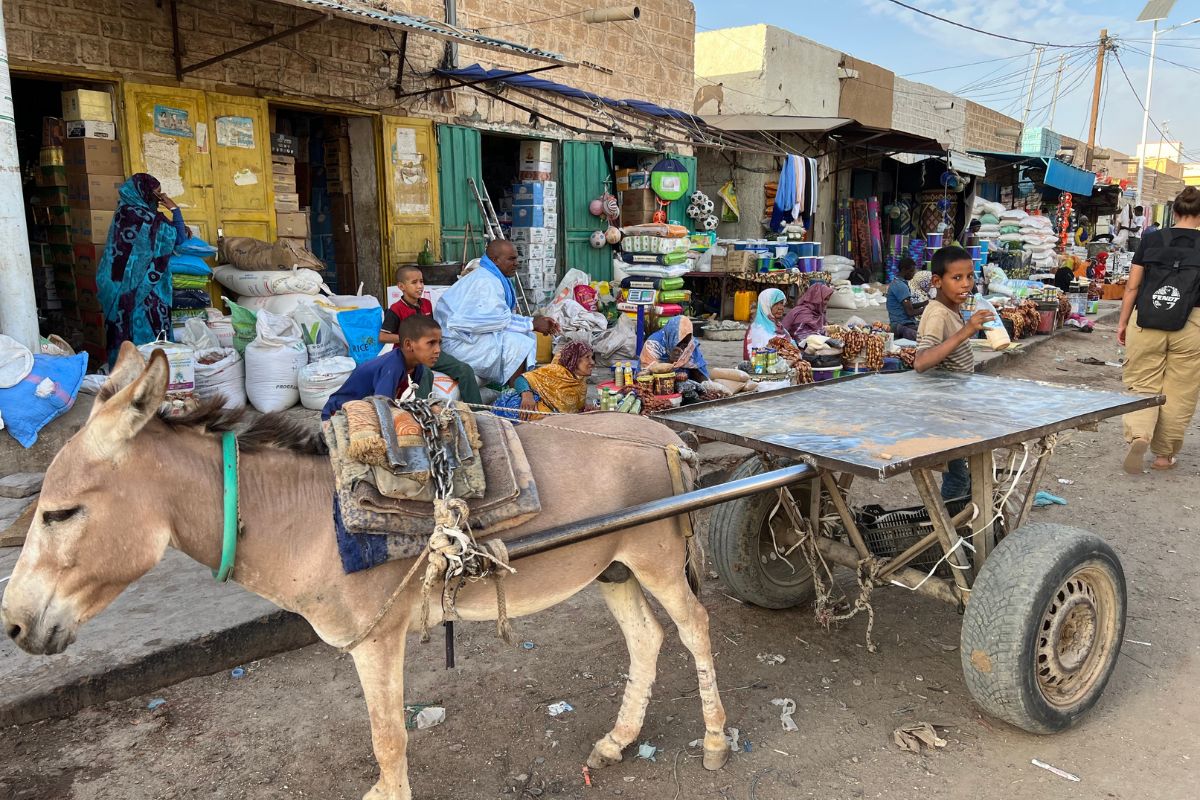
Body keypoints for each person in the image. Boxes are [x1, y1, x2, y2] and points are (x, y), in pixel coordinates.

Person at [1117, 186, 1200, 473]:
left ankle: (1140, 434)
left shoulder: (1151, 239)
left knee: (1142, 382)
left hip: (1147, 318)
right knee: (1181, 390)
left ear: (1174, 211)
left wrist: (1123, 322)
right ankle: (1164, 456)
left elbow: (1132, 286)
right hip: (1191, 324)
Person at [914, 246, 995, 501]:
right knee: (958, 476)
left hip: (955, 404)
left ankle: (965, 515)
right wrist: (967, 331)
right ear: (937, 281)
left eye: (969, 276)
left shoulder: (951, 309)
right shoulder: (938, 313)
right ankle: (946, 521)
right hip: (942, 410)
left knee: (967, 472)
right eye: (957, 278)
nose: (966, 284)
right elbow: (921, 362)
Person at [433, 240, 557, 388]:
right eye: (511, 259)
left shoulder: (492, 277)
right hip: (456, 343)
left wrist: (532, 322)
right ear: (495, 260)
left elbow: (499, 316)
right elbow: (497, 321)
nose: (516, 263)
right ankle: (516, 394)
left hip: (468, 337)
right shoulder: (486, 281)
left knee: (526, 335)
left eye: (516, 258)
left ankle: (519, 388)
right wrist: (532, 324)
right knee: (518, 343)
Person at [96, 174, 189, 364]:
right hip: (141, 289)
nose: (159, 197)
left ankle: (128, 374)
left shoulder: (125, 213)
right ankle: (149, 375)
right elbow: (179, 238)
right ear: (144, 192)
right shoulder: (144, 217)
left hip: (122, 288)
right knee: (147, 335)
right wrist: (174, 209)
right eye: (156, 192)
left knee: (126, 335)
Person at [379, 265, 482, 405]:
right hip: (411, 355)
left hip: (429, 351)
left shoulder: (426, 304)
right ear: (401, 286)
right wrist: (410, 339)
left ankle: (478, 411)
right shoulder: (396, 309)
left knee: (465, 370)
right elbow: (383, 337)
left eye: (421, 282)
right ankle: (423, 412)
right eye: (414, 282)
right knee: (424, 374)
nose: (419, 286)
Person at [322, 314, 441, 420]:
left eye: (439, 343)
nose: (438, 350)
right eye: (431, 343)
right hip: (340, 413)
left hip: (368, 409)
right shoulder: (392, 367)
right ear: (408, 344)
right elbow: (383, 410)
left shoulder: (418, 367)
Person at [495, 341, 595, 421]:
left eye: (592, 357)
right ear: (573, 359)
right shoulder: (555, 371)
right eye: (587, 357)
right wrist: (527, 396)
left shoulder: (580, 384)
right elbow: (521, 379)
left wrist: (584, 409)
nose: (592, 362)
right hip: (523, 408)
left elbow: (570, 408)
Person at [640, 316, 709, 382]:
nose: (681, 348)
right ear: (672, 338)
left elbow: (700, 371)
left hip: (684, 379)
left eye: (685, 345)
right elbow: (644, 374)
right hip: (658, 382)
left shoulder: (691, 345)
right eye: (679, 343)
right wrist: (670, 361)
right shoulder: (653, 344)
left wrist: (705, 384)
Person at [886, 257, 926, 341]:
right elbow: (910, 312)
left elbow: (909, 306)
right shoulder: (900, 286)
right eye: (911, 271)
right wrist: (926, 309)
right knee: (924, 339)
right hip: (901, 325)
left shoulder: (898, 283)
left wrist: (925, 303)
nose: (913, 274)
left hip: (903, 324)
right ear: (904, 270)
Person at [744, 288, 788, 360]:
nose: (781, 308)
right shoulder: (756, 330)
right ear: (765, 306)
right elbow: (755, 359)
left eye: (781, 303)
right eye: (775, 304)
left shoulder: (780, 327)